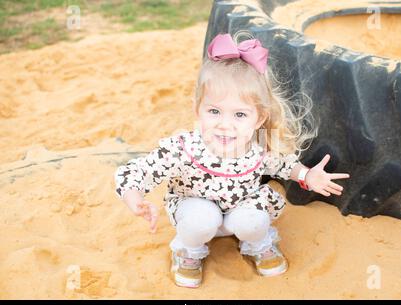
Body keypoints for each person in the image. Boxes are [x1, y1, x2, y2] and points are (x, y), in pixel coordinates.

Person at [114, 32, 350, 288]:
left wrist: (307, 175)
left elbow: (283, 165)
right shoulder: (184, 147)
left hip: (240, 209)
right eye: (214, 111)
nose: (225, 125)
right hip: (197, 211)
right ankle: (188, 251)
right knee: (201, 219)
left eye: (239, 114)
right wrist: (135, 199)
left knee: (253, 220)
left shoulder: (259, 144)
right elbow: (140, 171)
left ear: (258, 118)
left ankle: (257, 243)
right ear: (197, 110)